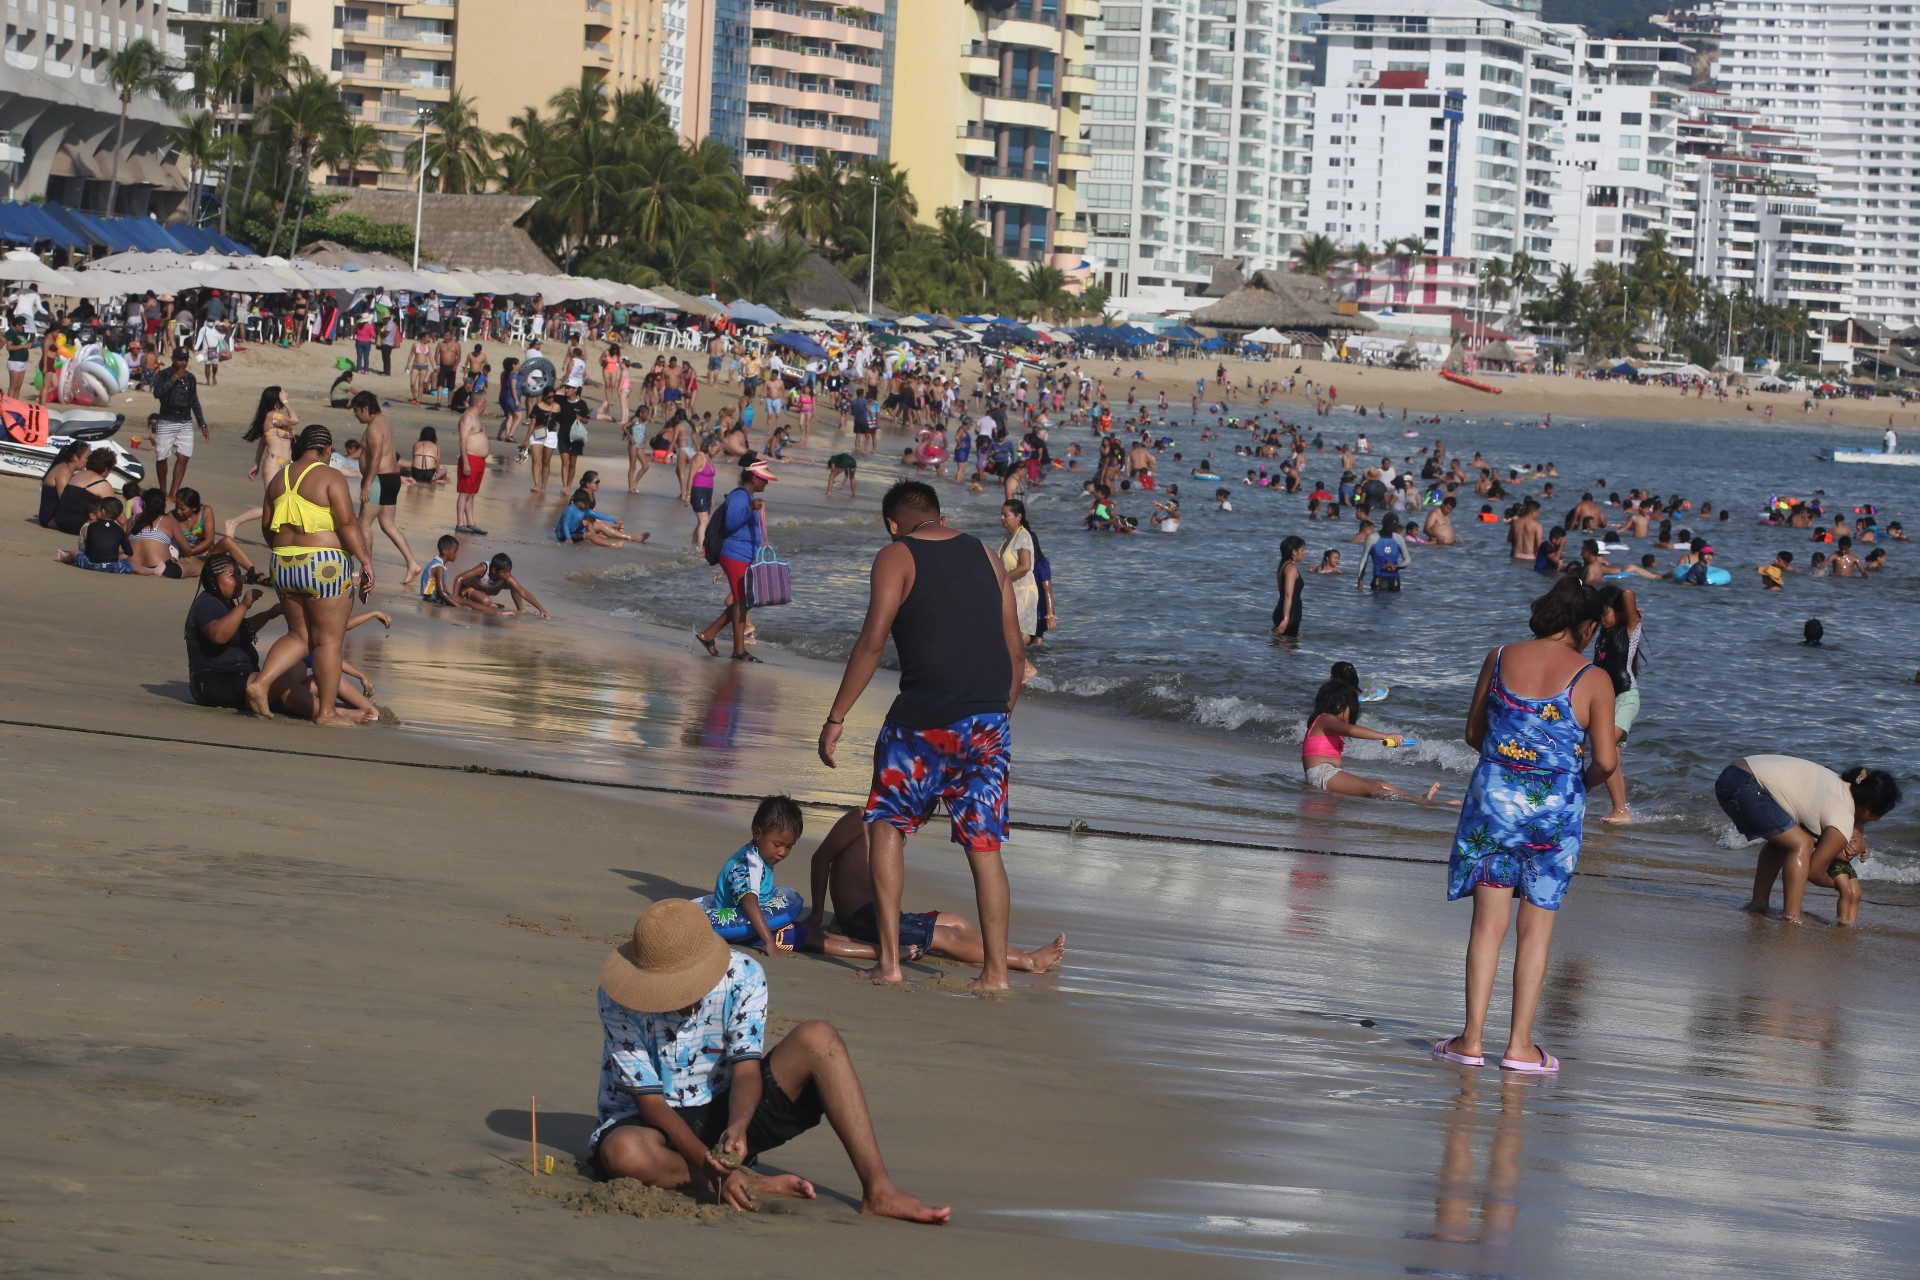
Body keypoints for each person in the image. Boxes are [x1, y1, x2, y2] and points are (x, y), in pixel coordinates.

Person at [591, 899, 949, 1223]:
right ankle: (744, 1180)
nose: (679, 998)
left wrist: (739, 1125)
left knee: (819, 1038)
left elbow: (747, 1069)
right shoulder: (617, 997)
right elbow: (651, 1103)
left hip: (726, 1103)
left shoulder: (742, 975)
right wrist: (713, 1168)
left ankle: (879, 1190)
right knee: (624, 1154)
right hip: (652, 1122)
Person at [817, 480, 1023, 990]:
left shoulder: (896, 556)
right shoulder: (985, 554)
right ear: (939, 514)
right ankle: (995, 973)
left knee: (887, 826)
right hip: (988, 721)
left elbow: (871, 641)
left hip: (922, 723)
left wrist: (837, 716)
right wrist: (999, 712)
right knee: (985, 847)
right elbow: (1015, 648)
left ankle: (889, 964)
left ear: (893, 522)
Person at [1436, 577, 1618, 1075]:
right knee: (1535, 930)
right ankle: (1519, 1047)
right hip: (1554, 810)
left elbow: (1475, 733)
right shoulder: (1594, 680)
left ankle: (1470, 1040)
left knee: (1487, 926)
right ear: (1583, 625)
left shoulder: (1499, 657)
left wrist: (1508, 765)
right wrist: (1572, 779)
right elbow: (1605, 760)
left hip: (1492, 802)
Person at [800, 808, 1066, 973]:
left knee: (956, 920)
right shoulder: (861, 819)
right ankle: (1026, 961)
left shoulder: (896, 836)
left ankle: (1015, 951)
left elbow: (863, 881)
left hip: (874, 914)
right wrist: (818, 913)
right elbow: (822, 858)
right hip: (863, 918)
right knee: (947, 936)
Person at [247, 425, 378, 725]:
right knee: (328, 642)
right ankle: (327, 712)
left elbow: (268, 527)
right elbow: (346, 523)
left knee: (299, 635)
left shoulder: (279, 478)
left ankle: (261, 682)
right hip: (324, 565)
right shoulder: (331, 476)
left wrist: (288, 555)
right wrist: (365, 560)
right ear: (327, 449)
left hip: (282, 564)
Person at [1715, 757, 1899, 925]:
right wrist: (1843, 883)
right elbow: (1814, 871)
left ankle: (1759, 904)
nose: (1877, 820)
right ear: (1868, 809)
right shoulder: (1843, 817)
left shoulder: (1841, 785)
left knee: (1784, 841)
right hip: (1745, 785)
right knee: (1801, 844)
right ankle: (1791, 918)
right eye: (1879, 815)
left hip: (1733, 775)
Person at [1301, 678, 1442, 801]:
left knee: (1382, 784)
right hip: (1322, 774)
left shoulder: (1326, 724)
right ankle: (1414, 802)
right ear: (1339, 705)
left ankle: (1417, 799)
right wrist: (1385, 736)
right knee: (1373, 788)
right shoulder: (1326, 719)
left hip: (1328, 774)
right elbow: (1352, 730)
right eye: (1351, 706)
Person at [184, 553, 290, 711]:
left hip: (239, 678)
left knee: (301, 682)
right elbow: (219, 636)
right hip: (214, 682)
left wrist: (269, 614)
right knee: (282, 683)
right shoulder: (207, 604)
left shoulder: (225, 602)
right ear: (214, 579)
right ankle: (327, 712)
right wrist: (244, 606)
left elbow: (240, 630)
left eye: (240, 575)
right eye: (232, 575)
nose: (240, 580)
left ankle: (327, 708)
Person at [696, 457, 776, 662]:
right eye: (764, 479)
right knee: (742, 601)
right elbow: (730, 523)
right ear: (754, 478)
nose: (766, 483)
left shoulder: (747, 496)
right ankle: (738, 650)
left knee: (744, 602)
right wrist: (750, 508)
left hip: (743, 556)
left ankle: (709, 634)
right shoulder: (741, 497)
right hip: (734, 555)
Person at [350, 391, 422, 586]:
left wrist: (366, 484)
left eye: (356, 411)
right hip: (392, 478)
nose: (354, 414)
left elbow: (375, 457)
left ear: (365, 409)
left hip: (378, 481)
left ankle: (366, 569)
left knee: (363, 523)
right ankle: (412, 563)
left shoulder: (374, 427)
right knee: (388, 524)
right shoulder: (384, 421)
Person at [1590, 585, 1643, 824]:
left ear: (1620, 612)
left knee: (1605, 748)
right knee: (1612, 758)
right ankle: (1621, 811)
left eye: (1606, 612)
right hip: (1607, 701)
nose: (1602, 618)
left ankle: (1581, 789)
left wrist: (1627, 606)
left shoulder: (1630, 630)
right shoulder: (1601, 634)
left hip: (1626, 698)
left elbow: (1628, 593)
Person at [150, 348, 209, 497]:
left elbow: (194, 401)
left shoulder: (191, 378)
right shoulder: (163, 375)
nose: (183, 363)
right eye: (180, 359)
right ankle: (162, 490)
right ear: (173, 359)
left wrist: (202, 423)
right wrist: (175, 377)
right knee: (162, 457)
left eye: (185, 359)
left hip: (185, 421)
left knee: (184, 456)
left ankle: (174, 492)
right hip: (166, 420)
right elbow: (158, 393)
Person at [998, 499, 1040, 680]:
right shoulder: (1009, 537)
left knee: (1010, 637)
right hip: (1011, 591)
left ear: (1018, 516)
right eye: (1002, 514)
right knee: (1006, 636)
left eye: (1006, 515)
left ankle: (1027, 671)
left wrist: (1002, 580)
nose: (1002, 518)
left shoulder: (1023, 536)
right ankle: (1020, 672)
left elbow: (1025, 566)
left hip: (1023, 593)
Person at [454, 552, 549, 618]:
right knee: (486, 602)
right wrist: (454, 600)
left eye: (510, 571)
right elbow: (459, 578)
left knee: (514, 586)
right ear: (494, 570)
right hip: (470, 588)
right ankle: (486, 604)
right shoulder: (483, 568)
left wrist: (541, 609)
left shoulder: (507, 576)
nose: (508, 574)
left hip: (487, 589)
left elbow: (522, 591)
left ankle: (521, 610)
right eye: (505, 572)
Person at [452, 388, 489, 535]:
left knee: (472, 493)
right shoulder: (467, 417)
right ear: (479, 403)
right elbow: (462, 441)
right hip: (470, 458)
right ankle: (460, 523)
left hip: (479, 460)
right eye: (485, 402)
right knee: (464, 492)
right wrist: (466, 462)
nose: (486, 405)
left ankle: (471, 522)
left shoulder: (477, 417)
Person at [556, 489, 646, 547]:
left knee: (588, 520)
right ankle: (611, 545)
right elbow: (565, 526)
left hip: (574, 529)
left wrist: (614, 519)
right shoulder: (569, 510)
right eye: (586, 502)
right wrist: (568, 538)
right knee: (588, 535)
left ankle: (597, 538)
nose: (587, 505)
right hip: (563, 535)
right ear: (579, 502)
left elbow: (598, 515)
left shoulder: (584, 509)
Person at [1357, 513, 1409, 592]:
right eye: (1389, 526)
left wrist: (1396, 567)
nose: (1391, 529)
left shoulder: (1399, 539)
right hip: (1379, 580)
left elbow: (1408, 560)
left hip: (1394, 581)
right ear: (1383, 523)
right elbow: (1364, 561)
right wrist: (1360, 580)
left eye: (1393, 527)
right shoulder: (1372, 538)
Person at [1271, 535, 1307, 639]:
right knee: (1287, 649)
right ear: (1294, 552)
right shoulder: (1291, 568)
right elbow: (1288, 595)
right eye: (1302, 549)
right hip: (1290, 614)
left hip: (1281, 610)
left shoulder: (1283, 565)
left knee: (1279, 648)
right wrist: (1286, 619)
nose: (1304, 552)